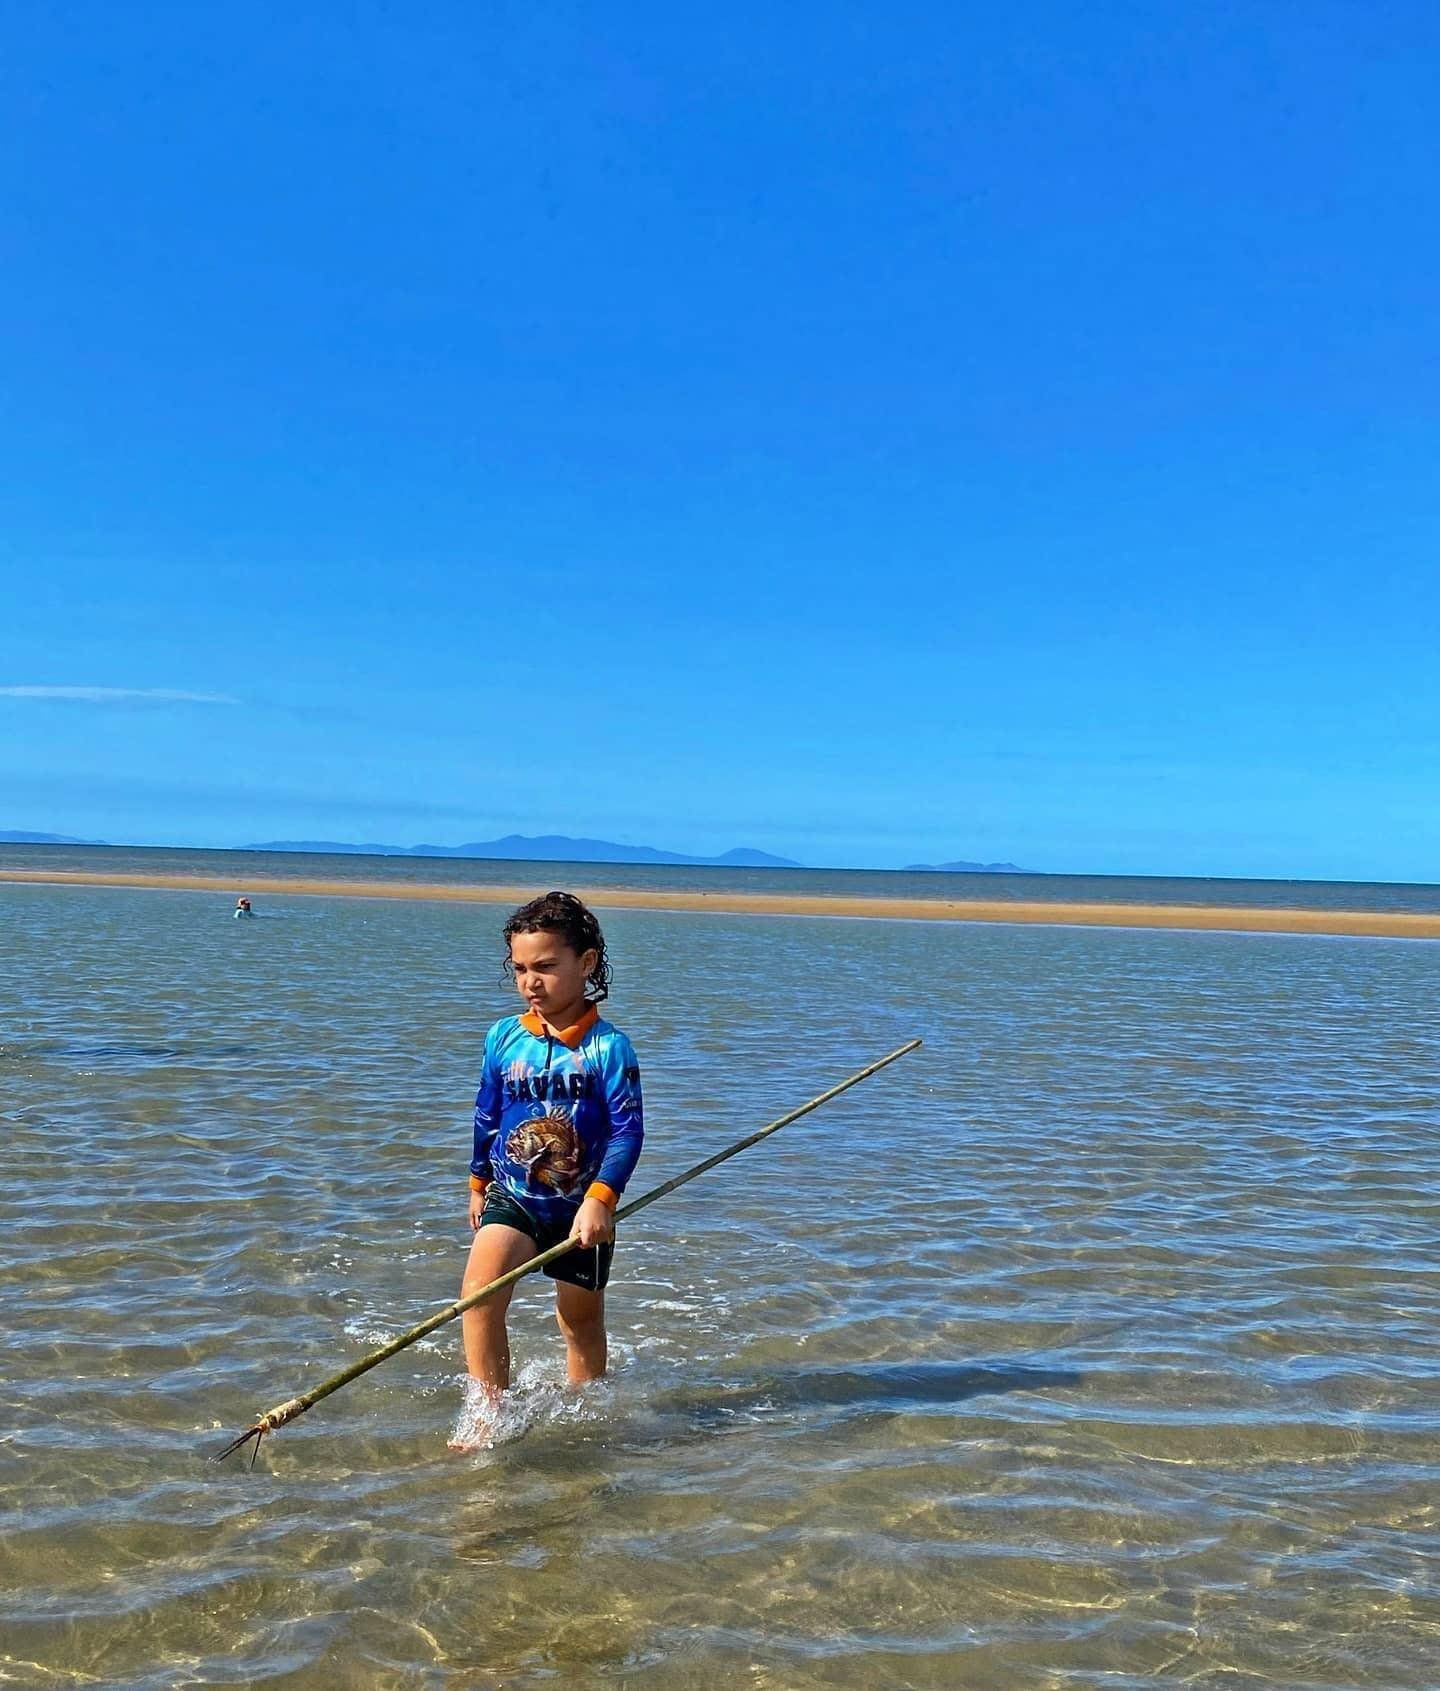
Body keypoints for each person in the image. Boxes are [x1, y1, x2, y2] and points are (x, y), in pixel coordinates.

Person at [457, 891, 643, 1435]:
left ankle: (588, 1413)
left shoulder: (609, 1049)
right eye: (519, 969)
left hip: (580, 1207)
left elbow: (628, 1132)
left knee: (578, 1319)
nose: (530, 982)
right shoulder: (503, 1037)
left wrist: (601, 1199)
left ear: (586, 963)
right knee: (479, 1298)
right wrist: (478, 1180)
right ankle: (489, 1413)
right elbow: (486, 1113)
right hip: (513, 1195)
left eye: (545, 967)